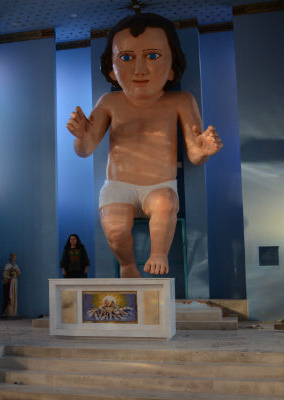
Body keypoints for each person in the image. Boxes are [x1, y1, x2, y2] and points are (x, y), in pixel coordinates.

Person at [66, 13, 222, 278]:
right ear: (112, 70)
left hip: (160, 184)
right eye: (126, 58)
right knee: (115, 229)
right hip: (118, 185)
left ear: (172, 66)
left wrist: (204, 149)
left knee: (165, 203)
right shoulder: (109, 102)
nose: (139, 69)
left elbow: (195, 154)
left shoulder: (181, 101)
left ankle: (158, 252)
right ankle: (127, 266)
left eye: (152, 56)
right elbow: (85, 150)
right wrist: (81, 136)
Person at [2, 253, 21, 318]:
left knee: (14, 296)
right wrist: (9, 276)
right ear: (10, 258)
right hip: (10, 282)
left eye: (15, 257)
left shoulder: (16, 265)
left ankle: (14, 311)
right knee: (10, 295)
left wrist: (17, 271)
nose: (14, 258)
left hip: (14, 281)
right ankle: (8, 311)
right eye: (13, 257)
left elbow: (19, 274)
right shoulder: (7, 265)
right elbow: (4, 274)